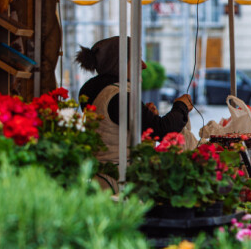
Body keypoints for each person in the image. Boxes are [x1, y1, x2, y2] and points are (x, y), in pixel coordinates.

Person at [76, 36, 193, 169]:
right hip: (118, 176)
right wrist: (181, 106)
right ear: (120, 64)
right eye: (137, 59)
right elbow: (163, 131)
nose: (144, 65)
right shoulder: (118, 97)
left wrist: (147, 118)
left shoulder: (105, 92)